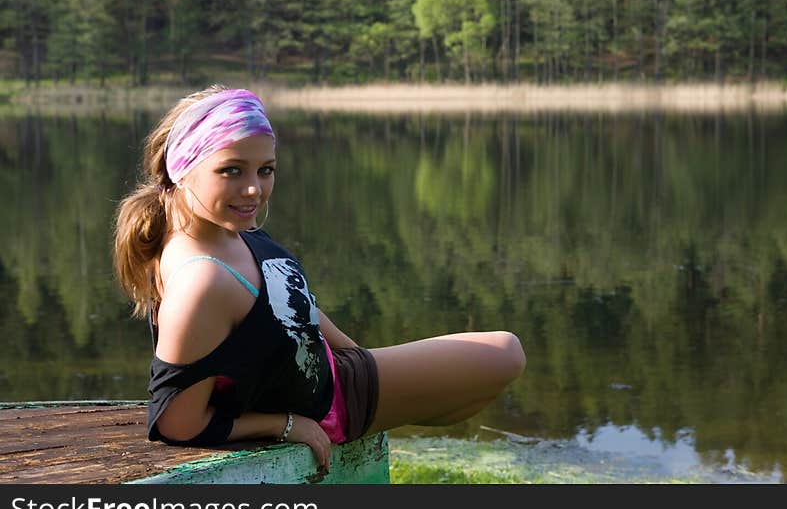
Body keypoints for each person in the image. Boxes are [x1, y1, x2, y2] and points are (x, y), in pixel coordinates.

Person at [113, 85, 526, 470]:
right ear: (182, 169)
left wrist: (355, 352)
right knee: (505, 354)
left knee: (462, 399)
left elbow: (289, 300)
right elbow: (176, 423)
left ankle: (396, 407)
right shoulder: (200, 281)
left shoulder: (224, 227)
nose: (255, 190)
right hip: (331, 403)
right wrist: (285, 425)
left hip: (332, 372)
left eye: (266, 170)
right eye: (232, 171)